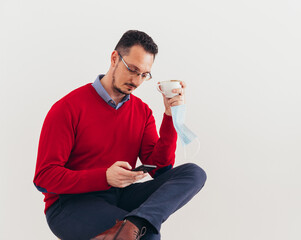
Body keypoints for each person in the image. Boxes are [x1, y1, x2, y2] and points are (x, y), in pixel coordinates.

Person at [33, 30, 207, 240]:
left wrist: (169, 116)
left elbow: (160, 170)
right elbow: (43, 179)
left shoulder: (141, 111)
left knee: (194, 173)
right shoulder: (68, 108)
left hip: (119, 196)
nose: (137, 81)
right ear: (115, 58)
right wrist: (104, 176)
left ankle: (139, 222)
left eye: (144, 75)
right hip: (70, 205)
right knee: (147, 237)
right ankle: (137, 228)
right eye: (132, 70)